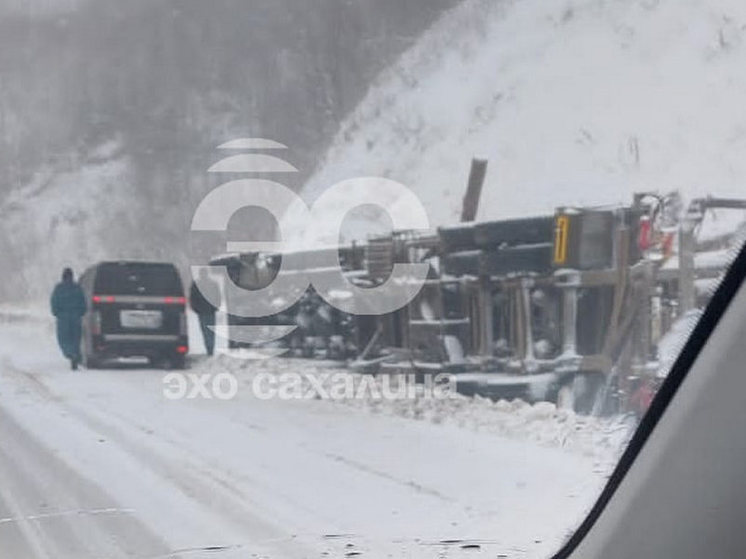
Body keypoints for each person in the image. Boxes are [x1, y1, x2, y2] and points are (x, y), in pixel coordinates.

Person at [50, 268, 87, 370]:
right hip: (76, 317)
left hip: (63, 318)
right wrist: (81, 313)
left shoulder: (59, 288)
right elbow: (83, 302)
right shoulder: (77, 288)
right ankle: (75, 355)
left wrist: (56, 313)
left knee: (64, 339)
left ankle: (70, 354)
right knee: (75, 338)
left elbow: (54, 302)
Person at [190, 269, 221, 356]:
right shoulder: (213, 284)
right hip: (210, 310)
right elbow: (218, 296)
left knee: (205, 330)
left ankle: (209, 348)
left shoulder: (196, 284)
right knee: (211, 331)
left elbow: (192, 298)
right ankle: (210, 349)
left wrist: (195, 308)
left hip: (202, 311)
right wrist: (216, 307)